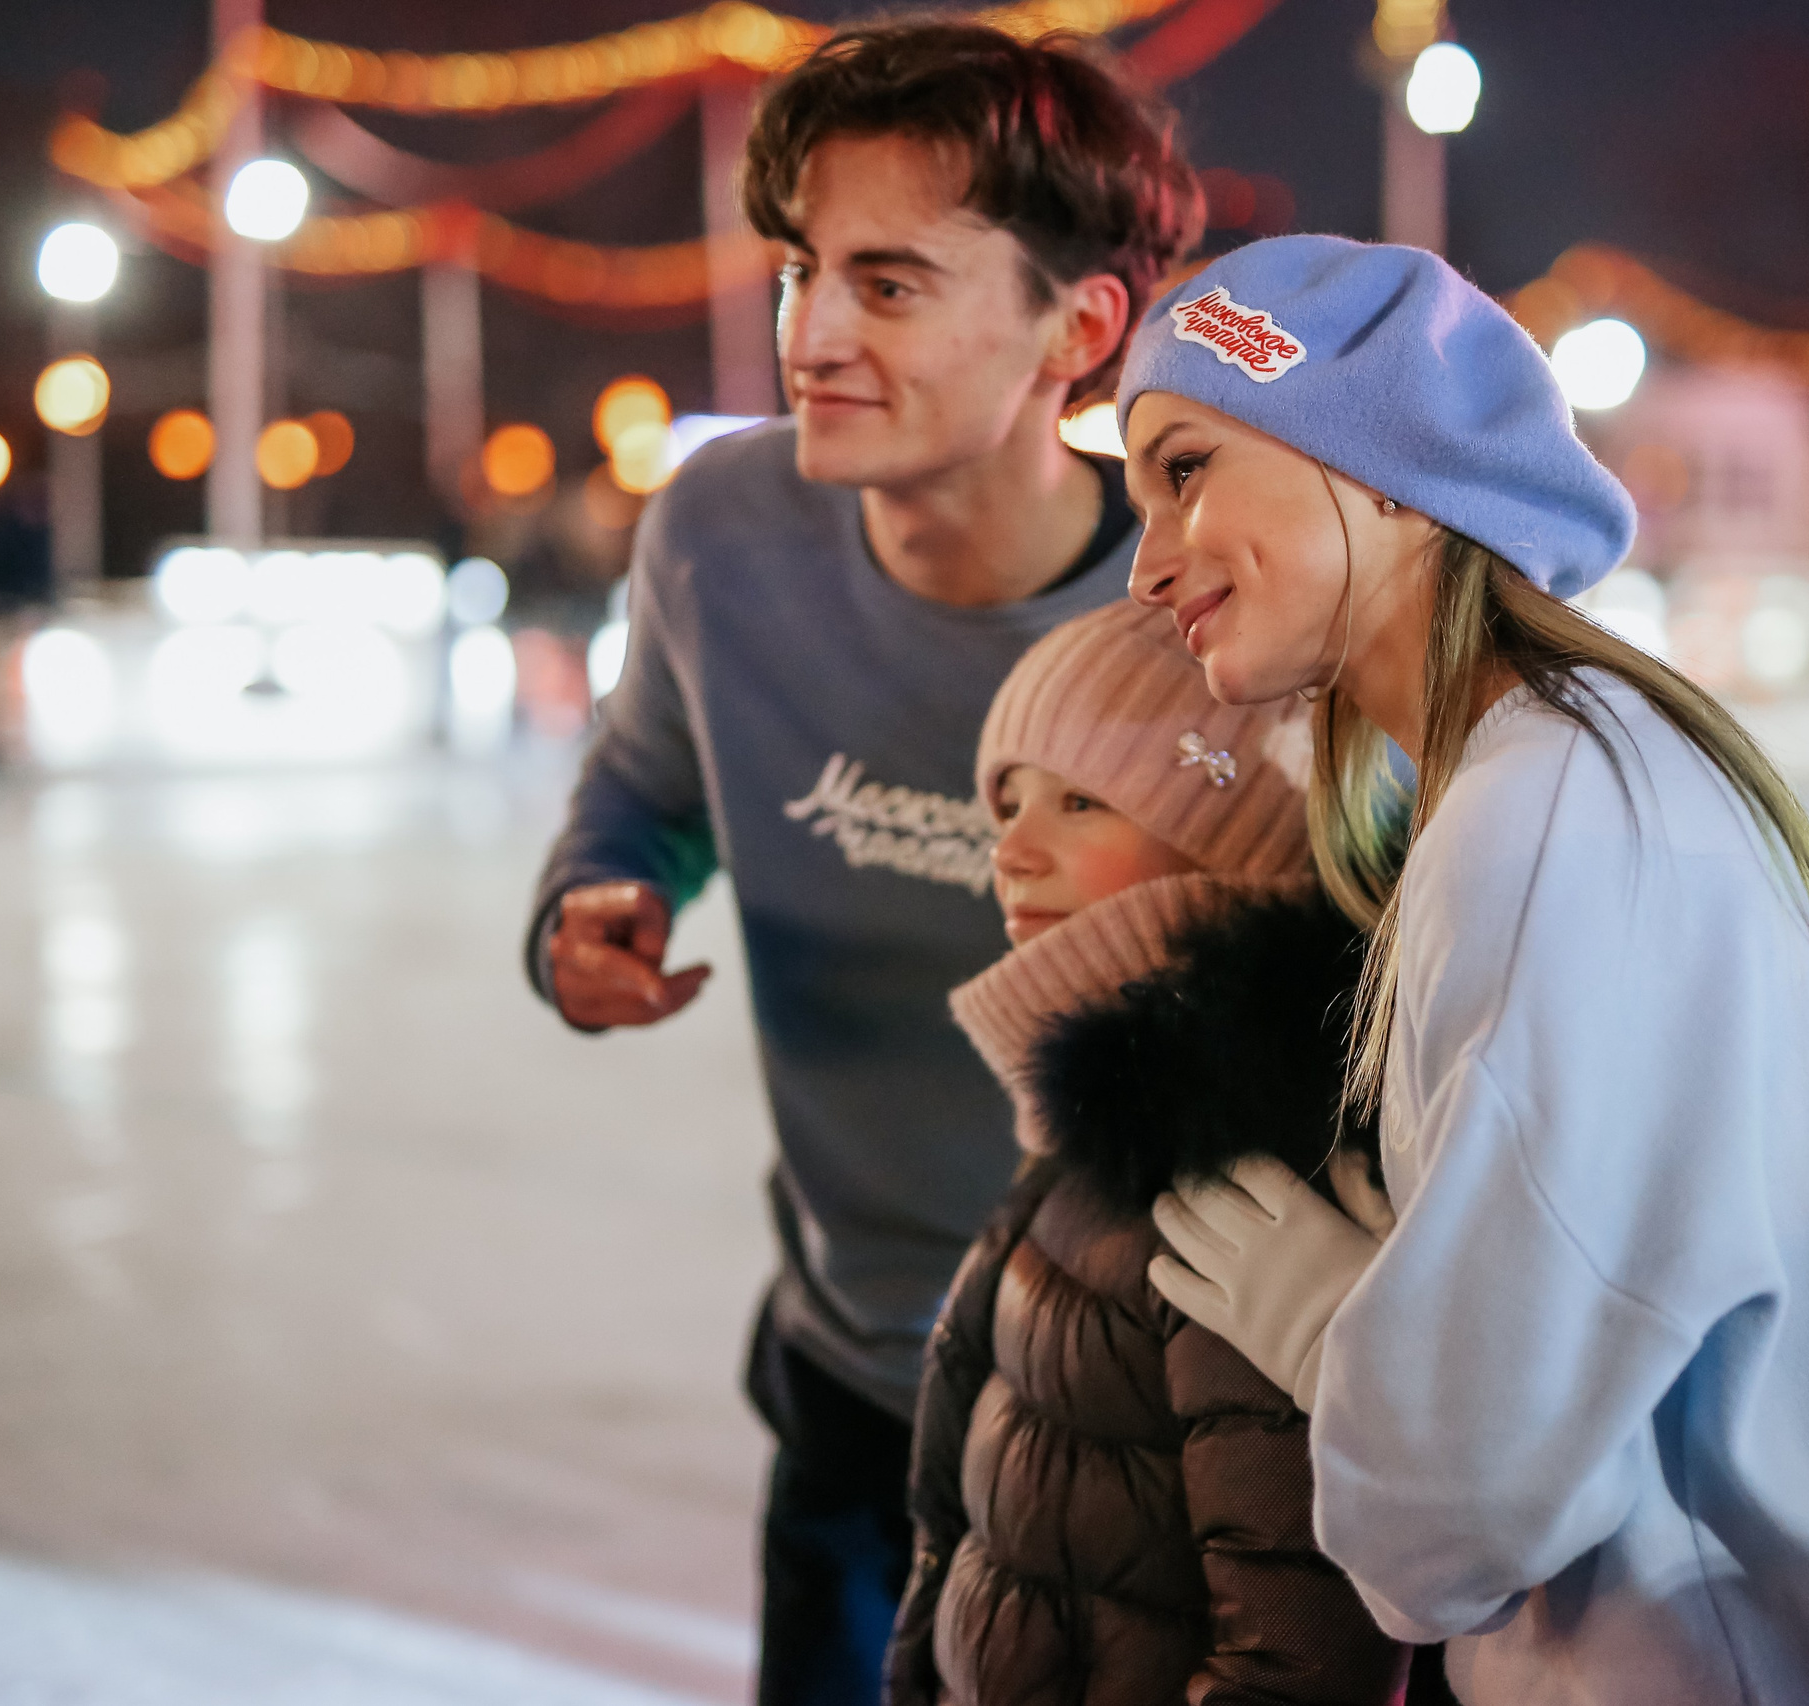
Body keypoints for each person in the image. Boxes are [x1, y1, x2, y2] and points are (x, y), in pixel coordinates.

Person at [1121, 237, 1809, 1702]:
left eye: (1185, 466)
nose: (1148, 558)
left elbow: (1457, 1510)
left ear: (1383, 463)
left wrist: (1339, 1334)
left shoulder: (1545, 813)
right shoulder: (1563, 774)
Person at [524, 23, 1201, 1704]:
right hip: (849, 1387)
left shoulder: (1202, 624)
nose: (810, 334)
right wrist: (599, 897)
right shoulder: (720, 536)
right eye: (800, 270)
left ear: (1080, 329)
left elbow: (1472, 995)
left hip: (1153, 1429)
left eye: (889, 285)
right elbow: (647, 781)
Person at [890, 597, 1404, 1706]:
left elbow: (1301, 1648)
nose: (1014, 850)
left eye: (1081, 802)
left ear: (1250, 840)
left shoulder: (1244, 1179)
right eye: (1008, 801)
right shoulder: (1102, 1123)